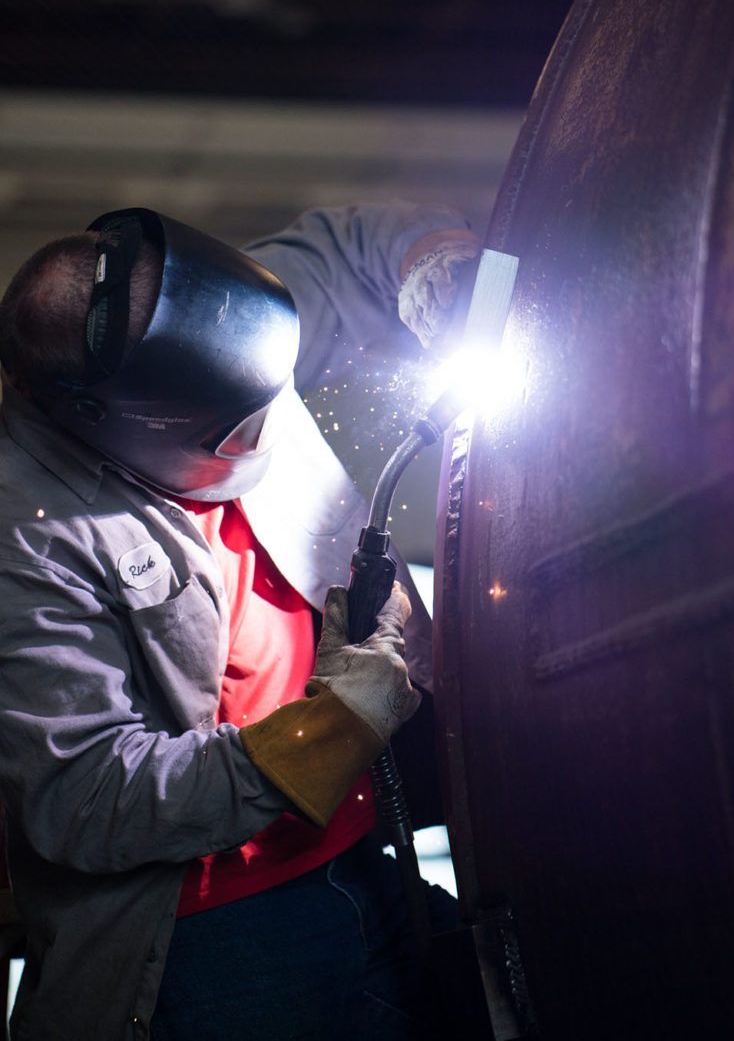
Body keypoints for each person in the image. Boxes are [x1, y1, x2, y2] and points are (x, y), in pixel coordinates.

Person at [0, 201, 481, 1041]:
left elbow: (351, 247)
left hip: (369, 846)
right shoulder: (25, 533)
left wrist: (432, 261)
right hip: (217, 936)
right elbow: (82, 795)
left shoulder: (220, 324)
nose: (275, 421)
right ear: (127, 425)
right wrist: (330, 730)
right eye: (246, 426)